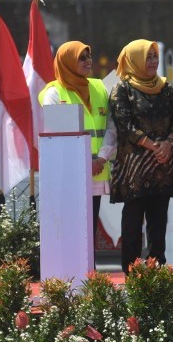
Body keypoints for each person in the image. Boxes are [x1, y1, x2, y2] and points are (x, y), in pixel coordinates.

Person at [109, 39, 173, 274]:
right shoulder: (123, 89)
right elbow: (125, 126)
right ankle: (132, 273)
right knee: (132, 224)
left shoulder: (165, 88)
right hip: (135, 169)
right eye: (147, 57)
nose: (153, 62)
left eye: (154, 56)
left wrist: (169, 143)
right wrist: (153, 146)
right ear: (134, 59)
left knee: (158, 223)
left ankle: (157, 271)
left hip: (162, 165)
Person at [39, 41, 116, 238]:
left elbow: (111, 127)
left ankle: (90, 270)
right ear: (67, 62)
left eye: (89, 56)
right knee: (70, 234)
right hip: (69, 177)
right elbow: (57, 141)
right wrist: (84, 164)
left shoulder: (99, 87)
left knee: (89, 232)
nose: (88, 61)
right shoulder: (54, 93)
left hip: (97, 171)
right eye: (81, 58)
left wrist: (101, 158)